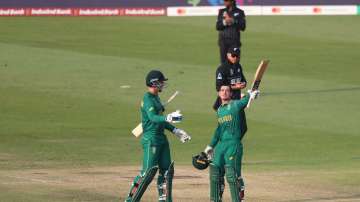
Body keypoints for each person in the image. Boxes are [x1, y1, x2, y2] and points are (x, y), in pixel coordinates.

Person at [124, 70, 191, 202]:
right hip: (151, 139)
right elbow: (153, 117)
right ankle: (130, 200)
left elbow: (160, 119)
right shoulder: (147, 99)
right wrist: (168, 116)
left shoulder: (156, 98)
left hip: (161, 138)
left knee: (167, 172)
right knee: (148, 173)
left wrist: (175, 130)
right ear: (154, 83)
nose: (163, 84)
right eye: (160, 82)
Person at [204, 85, 259, 202]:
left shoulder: (235, 105)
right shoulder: (219, 110)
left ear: (230, 94)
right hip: (221, 145)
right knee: (215, 172)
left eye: (227, 91)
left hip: (233, 144)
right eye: (222, 90)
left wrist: (251, 95)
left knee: (232, 174)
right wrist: (210, 146)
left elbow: (245, 101)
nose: (224, 92)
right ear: (219, 93)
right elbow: (219, 130)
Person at [213, 46, 247, 111]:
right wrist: (235, 87)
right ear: (228, 55)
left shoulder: (238, 66)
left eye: (237, 56)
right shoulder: (222, 69)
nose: (235, 58)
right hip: (225, 102)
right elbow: (218, 87)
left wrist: (244, 84)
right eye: (233, 55)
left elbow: (243, 80)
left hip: (236, 101)